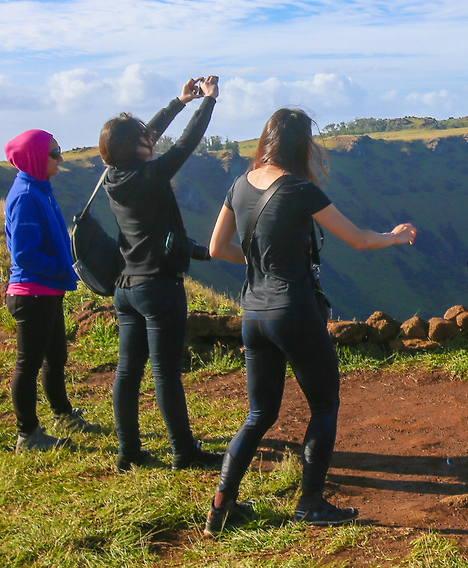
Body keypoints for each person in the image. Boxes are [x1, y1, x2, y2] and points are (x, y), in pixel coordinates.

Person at [203, 107, 416, 536]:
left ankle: (219, 509)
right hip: (294, 311)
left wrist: (264, 261)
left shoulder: (238, 184)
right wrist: (394, 236)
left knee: (259, 413)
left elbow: (215, 248)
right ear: (303, 145)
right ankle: (311, 503)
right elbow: (358, 239)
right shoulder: (299, 189)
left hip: (254, 314)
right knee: (323, 405)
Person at [100, 76, 223, 472]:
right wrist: (208, 102)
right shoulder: (149, 175)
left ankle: (128, 452)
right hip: (158, 287)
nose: (150, 142)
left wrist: (178, 101)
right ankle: (184, 452)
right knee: (166, 373)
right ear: (132, 148)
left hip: (126, 287)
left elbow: (144, 137)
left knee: (127, 371)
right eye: (142, 140)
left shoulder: (114, 176)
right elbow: (186, 144)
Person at [3, 129, 102, 451]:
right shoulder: (26, 197)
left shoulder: (39, 190)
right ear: (34, 158)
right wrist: (63, 268)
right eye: (54, 153)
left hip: (47, 291)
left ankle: (63, 415)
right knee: (28, 363)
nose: (60, 159)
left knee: (55, 357)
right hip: (32, 294)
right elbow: (25, 254)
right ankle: (27, 435)